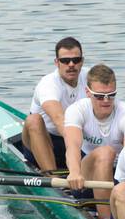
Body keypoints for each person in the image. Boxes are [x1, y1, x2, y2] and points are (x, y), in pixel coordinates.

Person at [61, 64, 125, 219]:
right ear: (87, 93)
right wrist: (75, 173)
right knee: (106, 152)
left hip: (116, 176)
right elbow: (72, 146)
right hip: (86, 178)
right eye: (99, 96)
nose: (106, 100)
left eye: (111, 95)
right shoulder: (76, 110)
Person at [22, 37, 88, 173]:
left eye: (76, 60)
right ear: (57, 63)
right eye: (65, 61)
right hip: (46, 143)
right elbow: (59, 119)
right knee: (33, 120)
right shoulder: (48, 84)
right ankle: (52, 178)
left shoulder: (90, 77)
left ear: (82, 62)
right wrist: (74, 151)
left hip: (79, 142)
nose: (71, 64)